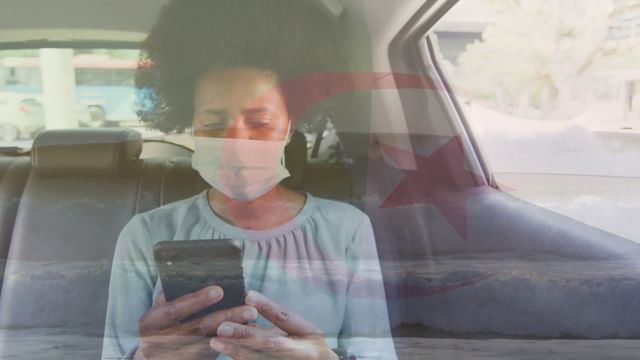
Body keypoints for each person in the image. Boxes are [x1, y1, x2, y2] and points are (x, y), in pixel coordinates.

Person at [101, 1, 397, 359]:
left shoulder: (347, 231)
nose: (235, 144)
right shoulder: (145, 235)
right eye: (212, 124)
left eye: (259, 123)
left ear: (290, 127)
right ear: (190, 125)